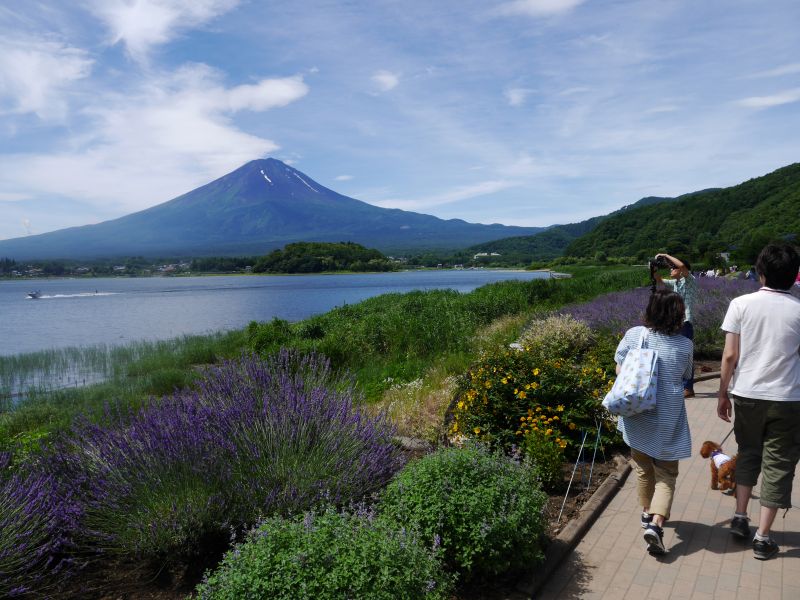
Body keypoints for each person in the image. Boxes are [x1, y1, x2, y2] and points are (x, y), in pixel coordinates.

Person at [717, 243, 800, 560]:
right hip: (789, 398)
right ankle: (763, 539)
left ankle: (740, 517)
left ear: (759, 273)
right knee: (779, 465)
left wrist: (723, 394)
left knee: (749, 452)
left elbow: (729, 356)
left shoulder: (740, 305)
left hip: (748, 394)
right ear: (794, 278)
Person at [614, 290, 693, 555]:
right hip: (667, 417)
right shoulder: (684, 345)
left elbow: (619, 367)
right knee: (667, 474)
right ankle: (657, 525)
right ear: (678, 316)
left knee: (643, 468)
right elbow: (685, 376)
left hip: (637, 415)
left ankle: (647, 513)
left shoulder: (636, 335)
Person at [653, 253, 698, 397]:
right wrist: (654, 266)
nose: (670, 270)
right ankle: (682, 386)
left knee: (686, 354)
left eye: (673, 268)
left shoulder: (689, 280)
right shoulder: (675, 283)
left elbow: (683, 266)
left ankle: (688, 388)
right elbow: (658, 279)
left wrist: (665, 255)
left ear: (679, 270)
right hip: (675, 321)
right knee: (676, 353)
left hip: (685, 322)